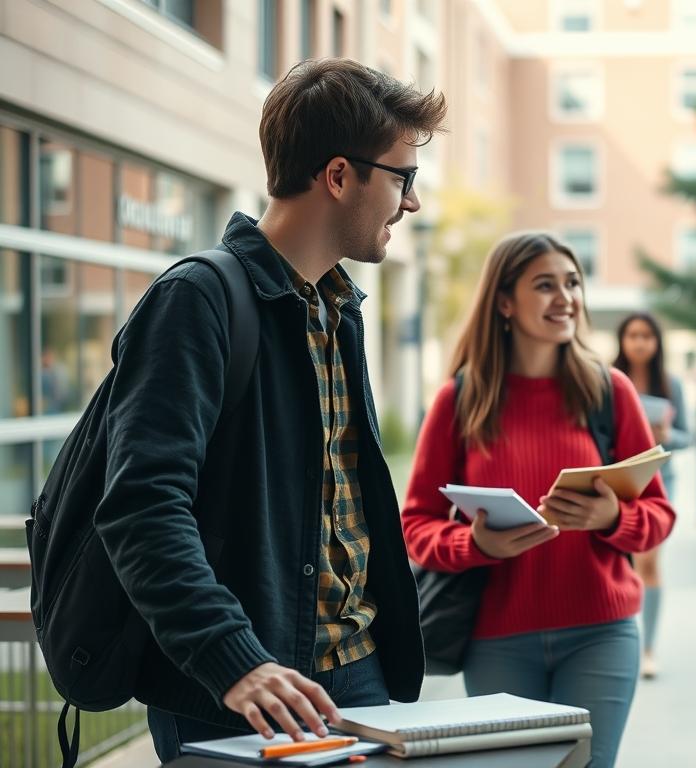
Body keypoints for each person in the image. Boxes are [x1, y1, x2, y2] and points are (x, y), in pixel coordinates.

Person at [93, 58, 447, 762]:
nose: (411, 203)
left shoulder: (339, 308)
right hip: (239, 690)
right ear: (339, 176)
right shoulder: (197, 299)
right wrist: (234, 661)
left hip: (356, 673)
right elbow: (142, 505)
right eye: (403, 178)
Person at [401, 233, 676, 768]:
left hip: (601, 633)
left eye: (572, 283)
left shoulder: (610, 391)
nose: (565, 298)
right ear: (505, 301)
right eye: (545, 285)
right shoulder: (459, 400)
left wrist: (613, 516)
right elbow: (416, 525)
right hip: (496, 641)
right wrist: (474, 543)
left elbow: (659, 514)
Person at [613, 311, 690, 680]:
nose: (640, 342)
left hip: (659, 482)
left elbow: (688, 436)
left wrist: (666, 435)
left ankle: (647, 648)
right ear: (622, 340)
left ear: (657, 342)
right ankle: (622, 641)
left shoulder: (670, 384)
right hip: (618, 481)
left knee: (648, 562)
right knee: (622, 564)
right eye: (633, 335)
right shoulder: (610, 381)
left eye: (647, 335)